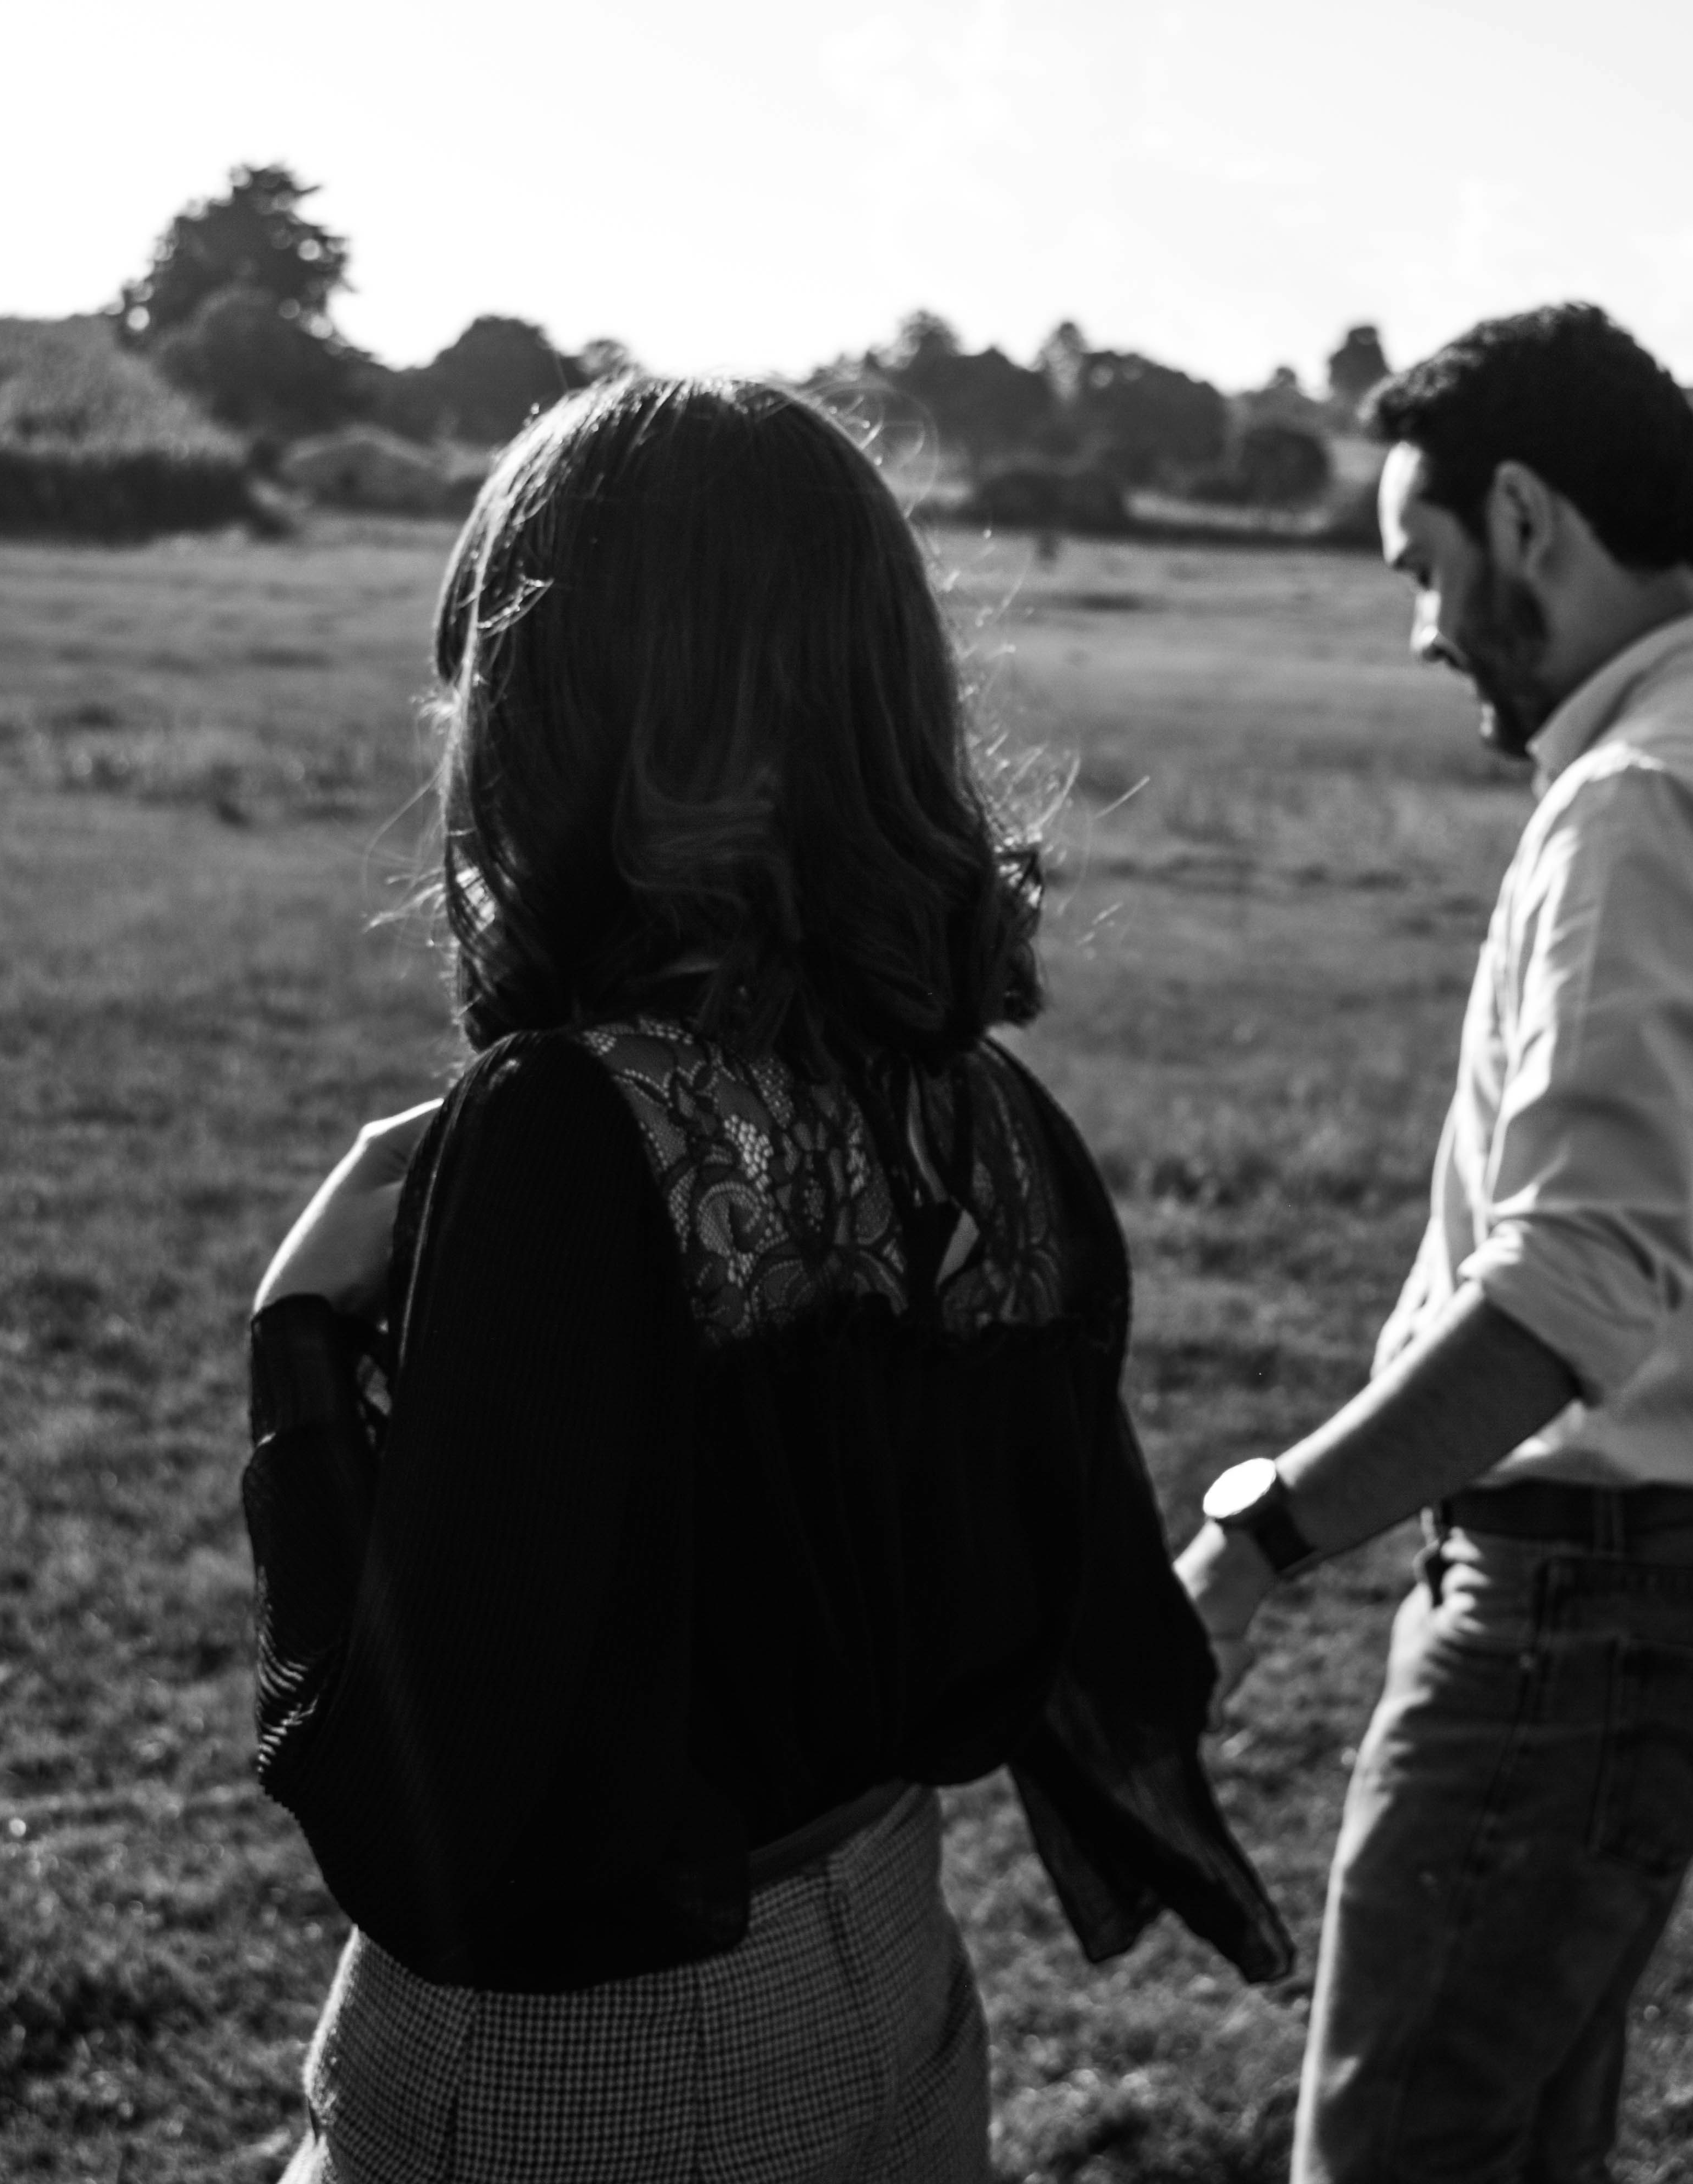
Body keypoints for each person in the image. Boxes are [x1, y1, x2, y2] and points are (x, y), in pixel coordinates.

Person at [242, 374, 1289, 2184]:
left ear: (559, 720)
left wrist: (294, 1358)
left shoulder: (571, 1132)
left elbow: (423, 1825)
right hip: (897, 1988)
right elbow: (1077, 1632)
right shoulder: (990, 1128)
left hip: (589, 2065)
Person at [1175, 306, 1693, 2183]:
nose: (1423, 628)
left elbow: (1566, 1292)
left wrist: (1259, 1540)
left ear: (1524, 519)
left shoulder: (1647, 800)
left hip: (1594, 1607)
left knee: (1396, 2152)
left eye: (1421, 566)